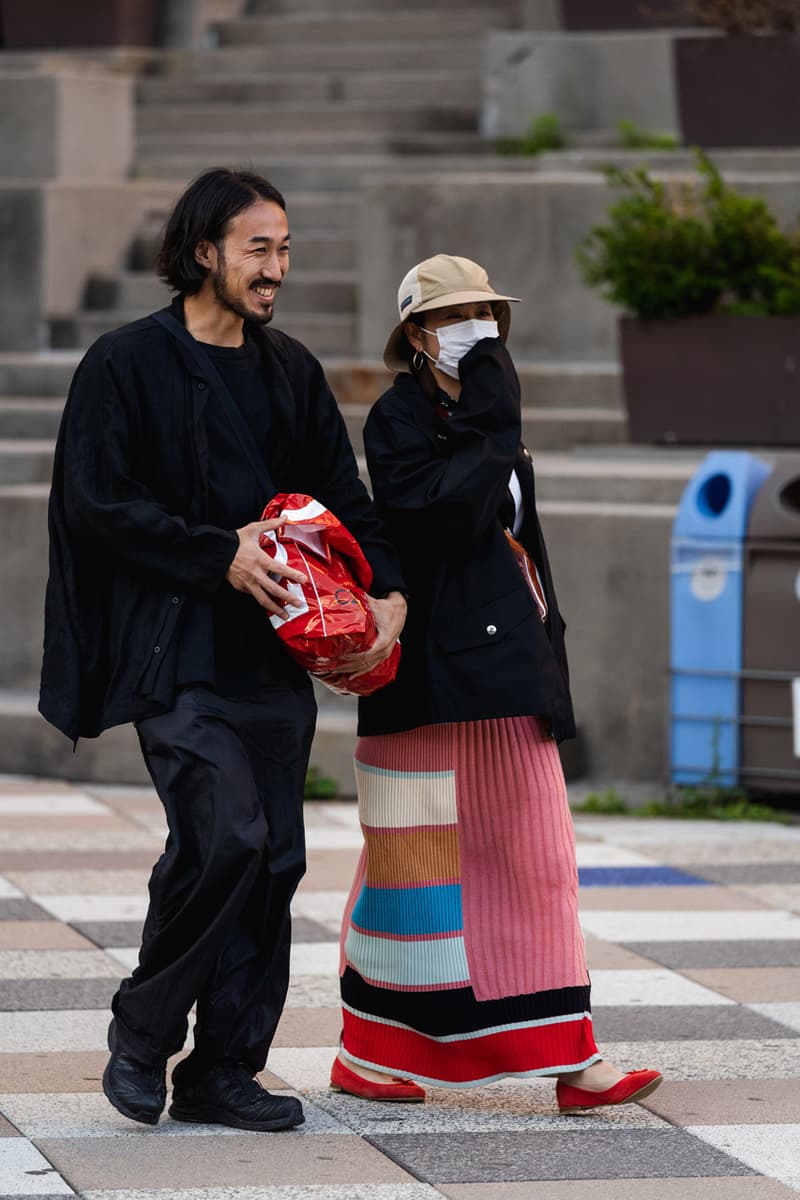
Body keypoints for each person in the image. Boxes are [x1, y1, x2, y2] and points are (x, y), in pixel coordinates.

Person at [39, 168, 407, 1131]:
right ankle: (143, 1032)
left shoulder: (289, 370)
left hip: (269, 663)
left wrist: (390, 592)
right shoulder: (123, 364)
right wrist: (219, 554)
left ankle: (222, 1072)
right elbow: (96, 502)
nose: (276, 268)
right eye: (259, 248)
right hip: (170, 654)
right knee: (226, 835)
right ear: (203, 250)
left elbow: (344, 494)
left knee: (273, 858)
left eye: (284, 249)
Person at [331, 254, 661, 1112]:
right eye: (455, 315)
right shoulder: (400, 418)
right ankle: (368, 1052)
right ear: (416, 333)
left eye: (485, 312)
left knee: (538, 855)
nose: (477, 328)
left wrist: (491, 414)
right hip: (430, 679)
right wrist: (492, 418)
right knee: (411, 866)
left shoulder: (486, 411)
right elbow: (446, 517)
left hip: (507, 668)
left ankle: (572, 1056)